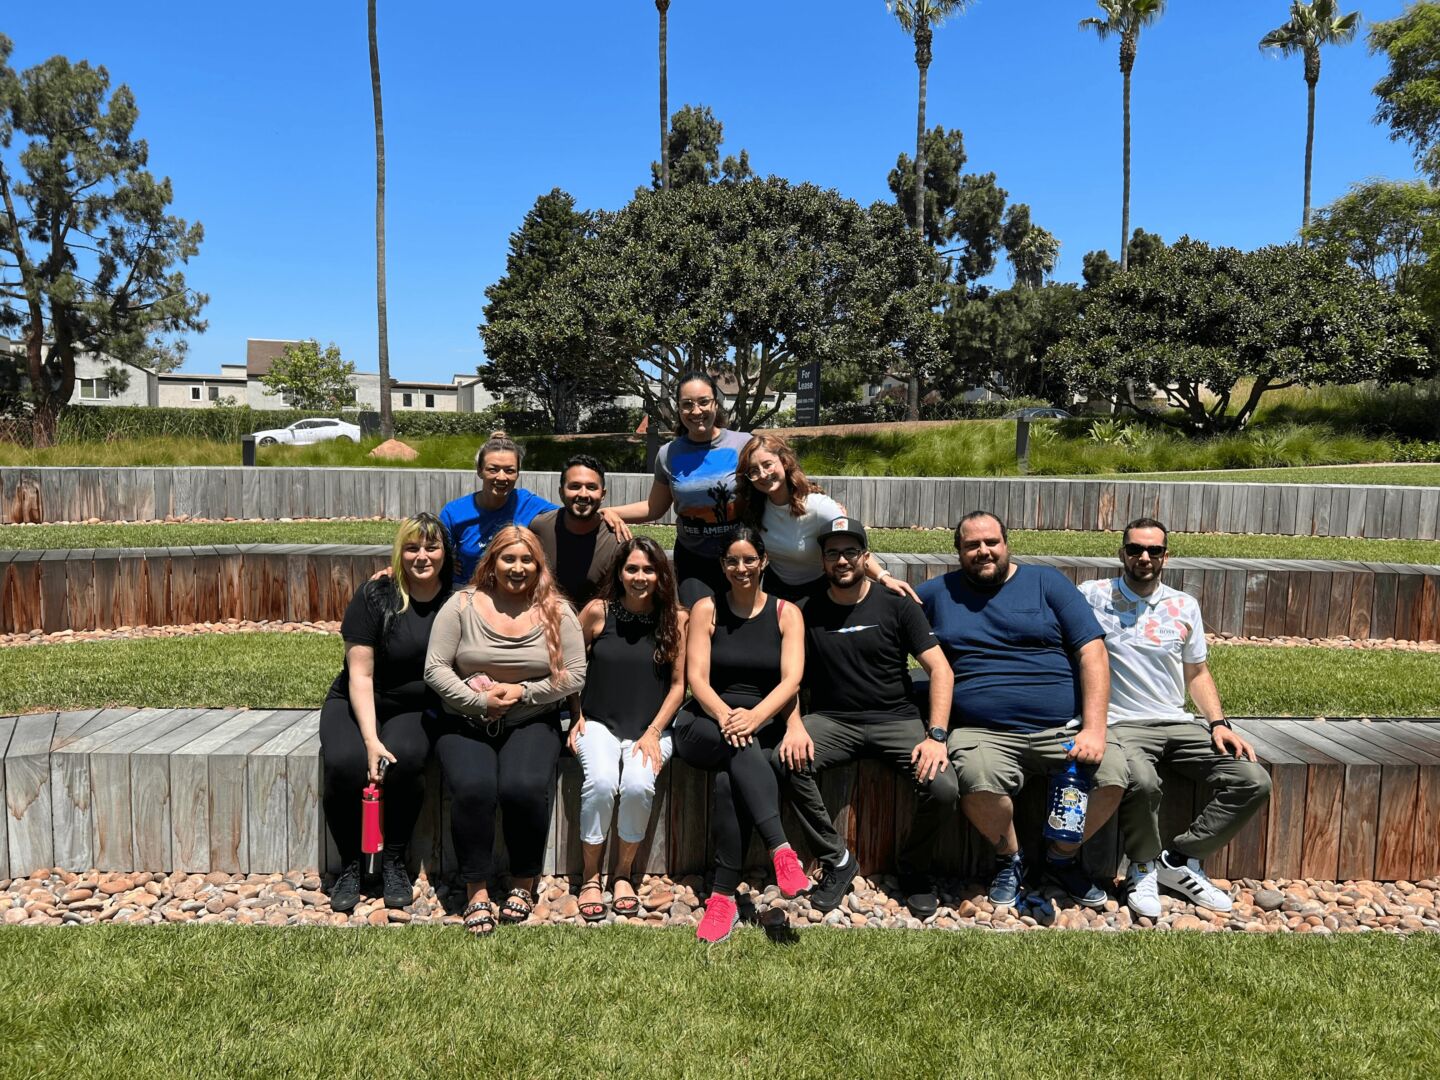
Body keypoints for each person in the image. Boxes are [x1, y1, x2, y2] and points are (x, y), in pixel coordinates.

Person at [918, 511, 1127, 910]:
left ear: (1006, 544)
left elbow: (1092, 652)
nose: (983, 551)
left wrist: (1094, 729)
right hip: (982, 731)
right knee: (976, 780)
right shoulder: (937, 593)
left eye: (991, 542)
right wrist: (878, 574)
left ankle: (1061, 858)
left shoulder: (1046, 583)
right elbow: (888, 611)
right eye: (972, 545)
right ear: (958, 551)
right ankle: (1010, 858)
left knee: (1111, 774)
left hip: (1062, 728)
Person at [1079, 517, 1271, 919]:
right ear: (1122, 554)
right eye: (1135, 549)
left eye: (1154, 550)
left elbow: (1196, 672)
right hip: (1120, 724)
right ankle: (1143, 866)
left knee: (1252, 780)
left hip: (1177, 722)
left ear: (1166, 556)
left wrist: (1218, 723)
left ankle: (1180, 858)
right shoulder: (1092, 595)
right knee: (1142, 781)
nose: (1144, 557)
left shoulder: (1184, 605)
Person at [776, 518, 958, 917]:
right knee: (785, 761)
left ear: (866, 557)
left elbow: (941, 671)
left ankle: (914, 867)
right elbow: (790, 678)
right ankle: (837, 859)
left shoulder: (897, 604)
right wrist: (794, 725)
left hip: (896, 720)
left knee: (944, 787)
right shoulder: (806, 610)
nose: (841, 560)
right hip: (833, 720)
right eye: (832, 553)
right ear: (822, 561)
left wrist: (936, 736)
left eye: (850, 552)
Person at [423, 525, 586, 935]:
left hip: (530, 719)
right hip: (464, 719)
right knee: (473, 787)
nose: (517, 567)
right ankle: (476, 890)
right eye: (508, 558)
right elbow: (435, 668)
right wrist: (478, 701)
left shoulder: (557, 611)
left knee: (523, 787)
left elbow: (575, 675)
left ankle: (523, 882)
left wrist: (524, 692)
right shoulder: (462, 605)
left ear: (539, 565)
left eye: (527, 560)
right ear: (491, 562)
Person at [672, 526, 811, 941]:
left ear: (763, 561)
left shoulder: (787, 613)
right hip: (704, 723)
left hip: (758, 724)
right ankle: (780, 848)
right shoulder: (706, 609)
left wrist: (755, 716)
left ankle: (722, 899)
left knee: (728, 782)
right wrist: (727, 716)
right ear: (722, 565)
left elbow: (791, 680)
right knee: (739, 747)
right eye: (732, 560)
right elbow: (697, 678)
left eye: (749, 559)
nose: (741, 567)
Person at [320, 513, 454, 913]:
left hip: (414, 707)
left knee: (406, 758)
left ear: (445, 552)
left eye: (431, 547)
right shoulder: (375, 595)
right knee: (345, 763)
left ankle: (393, 859)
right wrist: (370, 740)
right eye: (412, 548)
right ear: (399, 552)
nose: (422, 556)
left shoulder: (456, 600)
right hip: (356, 699)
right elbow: (360, 675)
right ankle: (351, 863)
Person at [568, 537, 688, 921]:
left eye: (649, 570)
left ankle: (622, 874)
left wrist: (653, 731)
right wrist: (574, 713)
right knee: (602, 781)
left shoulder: (675, 619)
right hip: (598, 723)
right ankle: (590, 876)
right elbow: (569, 667)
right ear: (619, 572)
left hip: (651, 729)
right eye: (632, 568)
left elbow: (678, 686)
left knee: (637, 784)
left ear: (660, 575)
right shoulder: (597, 612)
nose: (640, 577)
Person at [601, 372, 751, 606]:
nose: (696, 411)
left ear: (716, 403)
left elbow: (773, 482)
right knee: (697, 619)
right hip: (693, 560)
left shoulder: (744, 444)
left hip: (739, 556)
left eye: (704, 402)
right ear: (679, 409)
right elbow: (654, 508)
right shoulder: (668, 453)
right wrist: (609, 511)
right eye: (687, 404)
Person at [734, 433, 918, 603]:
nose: (763, 474)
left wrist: (883, 577)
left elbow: (852, 548)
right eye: (754, 470)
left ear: (784, 462)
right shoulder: (754, 508)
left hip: (819, 592)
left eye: (767, 464)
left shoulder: (818, 507)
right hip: (775, 590)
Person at [438, 431, 558, 588]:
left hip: (515, 590)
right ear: (479, 471)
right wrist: (446, 561)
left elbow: (566, 517)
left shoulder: (526, 502)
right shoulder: (454, 512)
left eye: (509, 470)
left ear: (518, 473)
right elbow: (433, 547)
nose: (501, 477)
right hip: (469, 589)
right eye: (493, 469)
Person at [529, 454, 624, 609]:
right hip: (543, 617)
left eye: (591, 487)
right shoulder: (539, 528)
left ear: (603, 494)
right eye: (575, 486)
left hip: (596, 621)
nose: (583, 494)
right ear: (561, 492)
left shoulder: (617, 540)